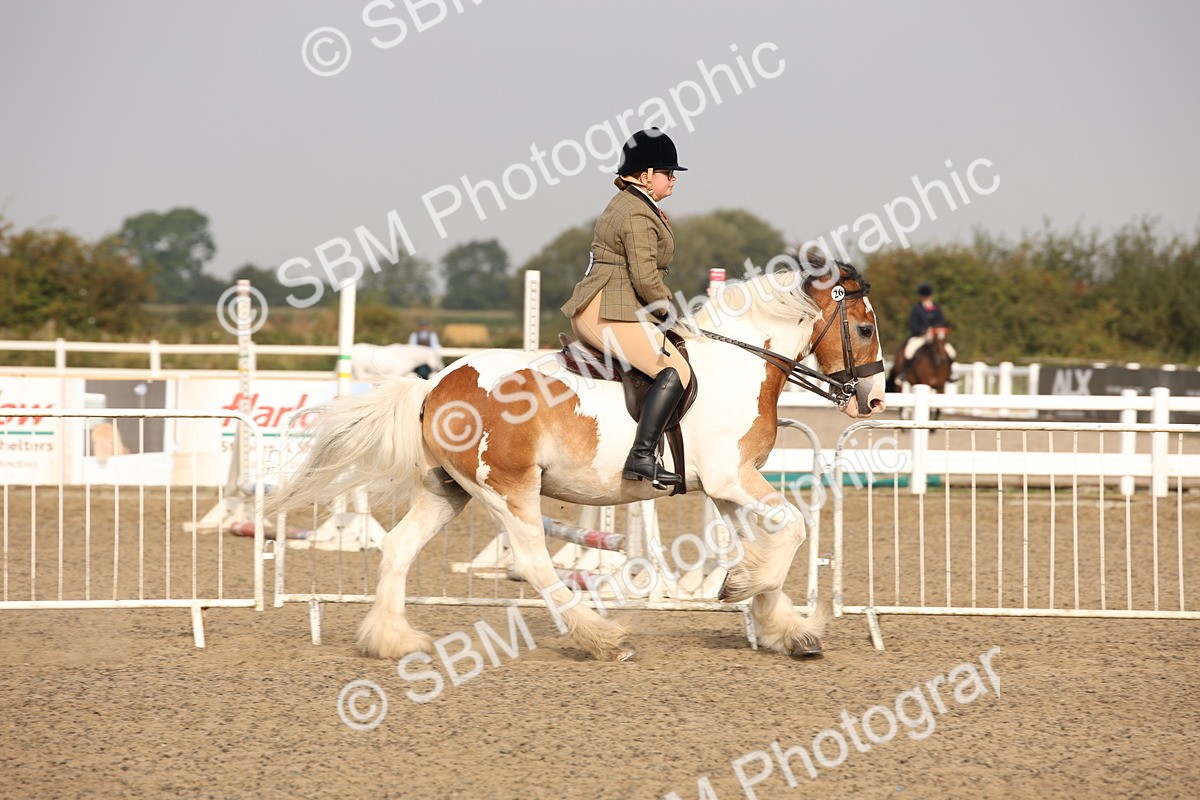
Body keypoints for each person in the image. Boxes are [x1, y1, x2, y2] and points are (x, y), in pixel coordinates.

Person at [560, 128, 691, 488]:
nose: (673, 180)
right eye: (669, 173)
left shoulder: (639, 207)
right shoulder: (635, 213)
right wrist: (672, 314)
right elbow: (646, 278)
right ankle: (642, 456)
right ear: (646, 174)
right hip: (606, 310)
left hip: (617, 306)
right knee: (675, 370)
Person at [888, 283, 956, 388]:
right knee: (909, 351)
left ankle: (950, 373)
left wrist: (937, 329)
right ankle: (904, 373)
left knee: (951, 352)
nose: (926, 298)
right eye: (924, 296)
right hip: (920, 336)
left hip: (935, 337)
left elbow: (941, 321)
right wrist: (923, 331)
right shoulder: (917, 309)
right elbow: (912, 325)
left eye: (927, 296)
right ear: (921, 296)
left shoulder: (936, 308)